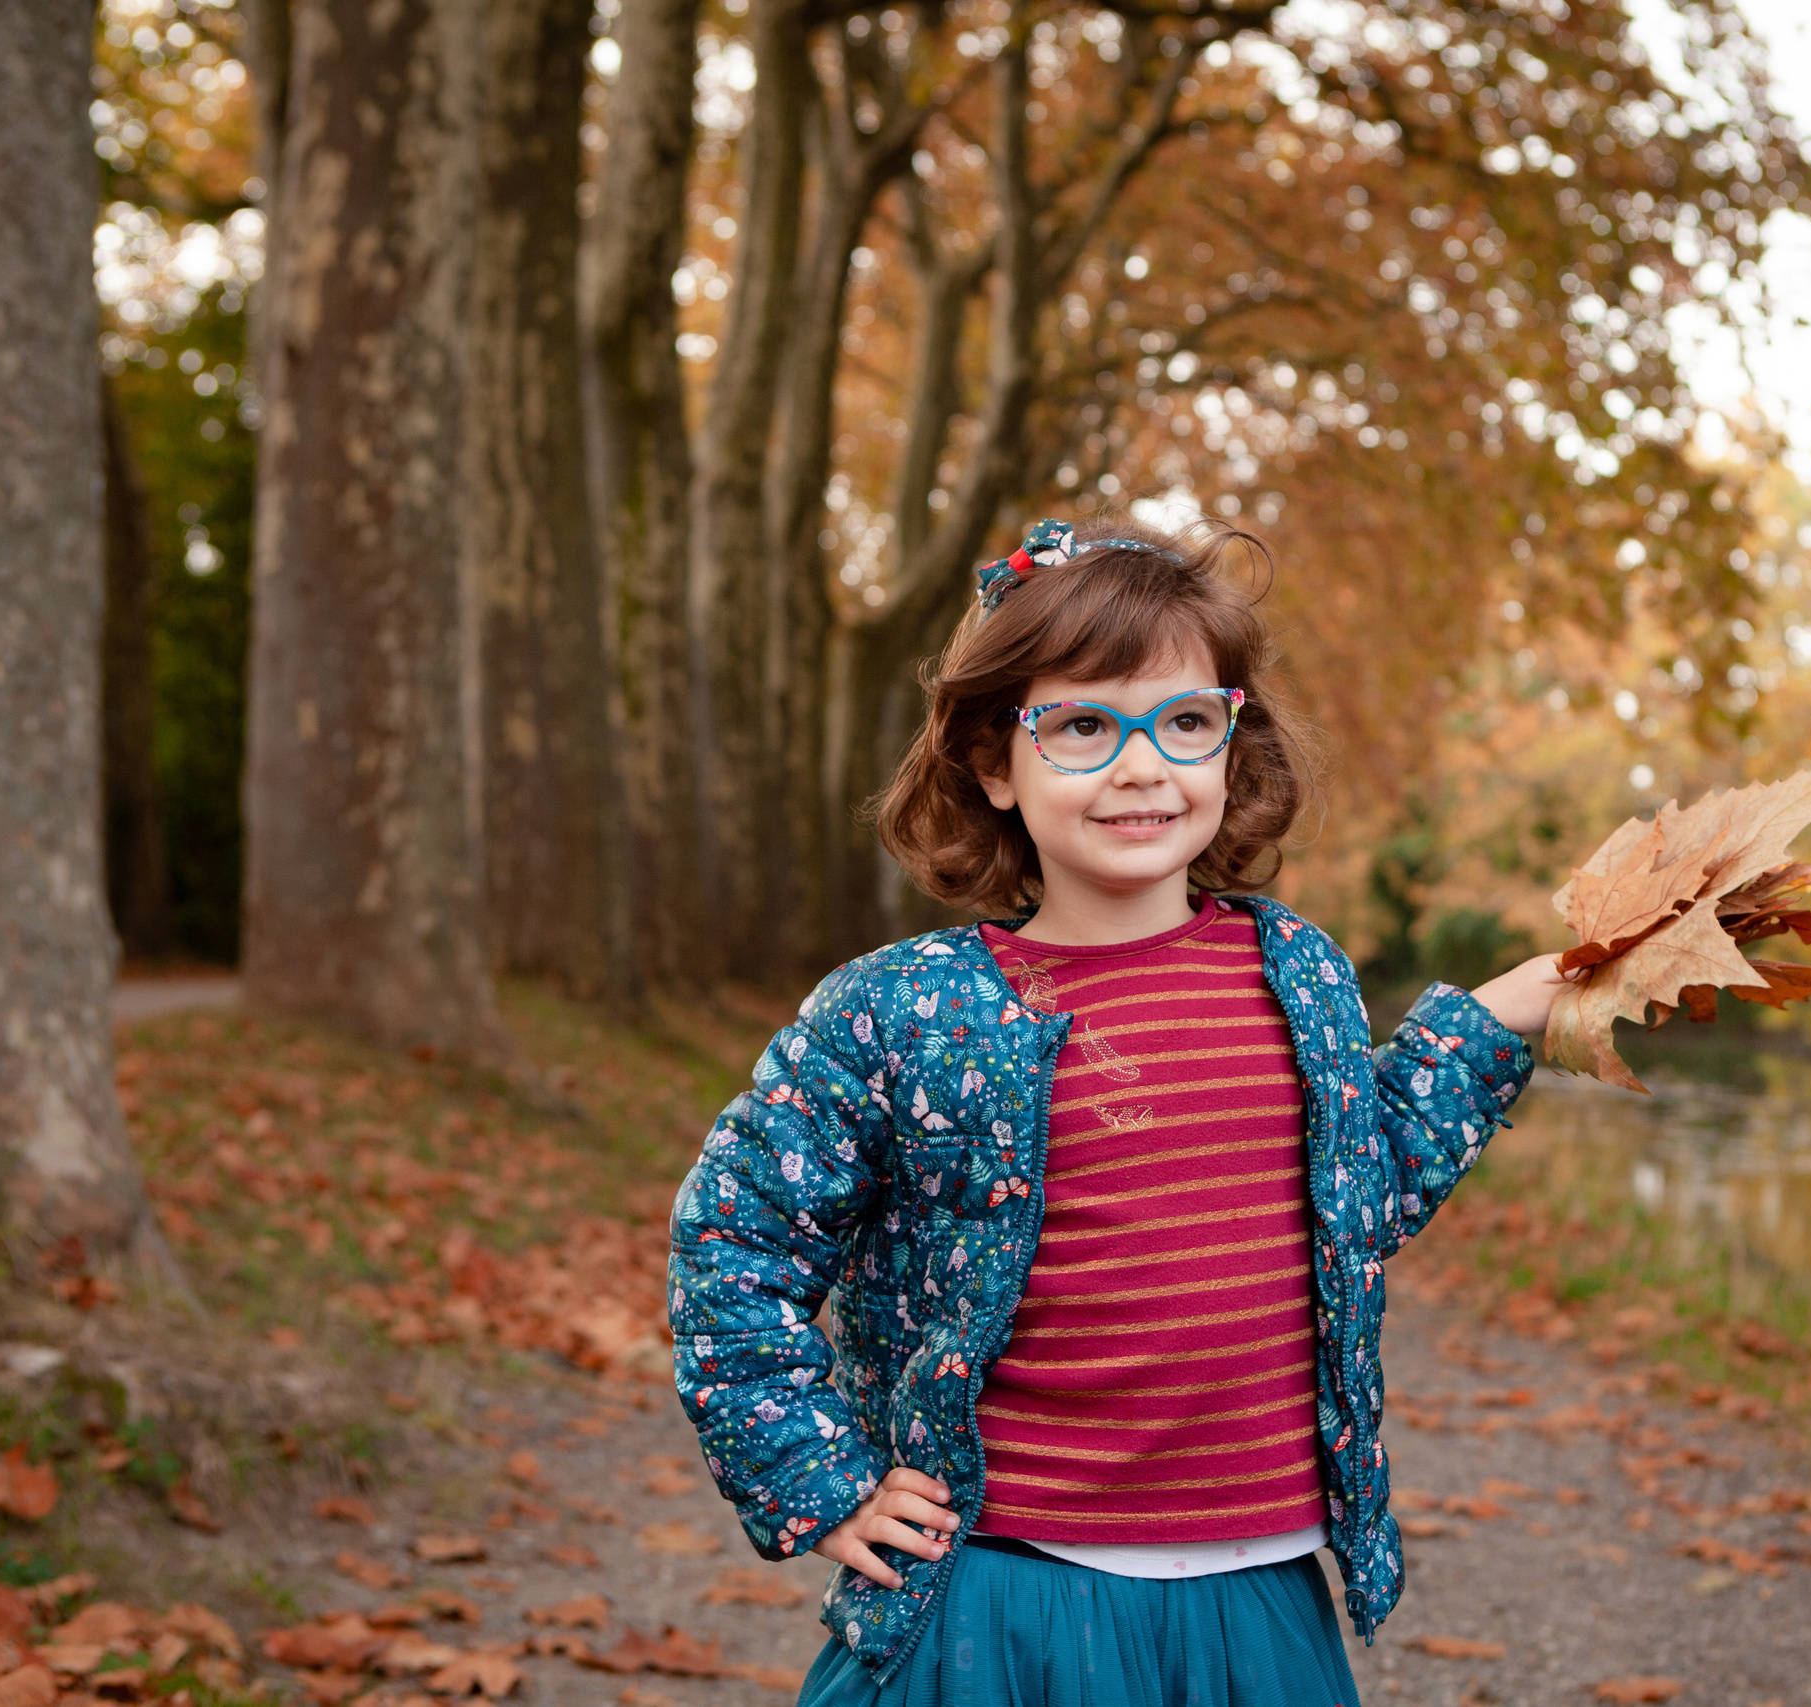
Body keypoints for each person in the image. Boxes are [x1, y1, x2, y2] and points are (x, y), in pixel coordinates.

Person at [669, 516, 1565, 1706]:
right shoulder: (902, 1013)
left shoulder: (1294, 975)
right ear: (995, 764)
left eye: (1184, 723)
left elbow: (1359, 1189)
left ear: (1230, 746)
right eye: (1084, 725)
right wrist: (817, 1478)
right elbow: (733, 1244)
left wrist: (1541, 995)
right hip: (1002, 1595)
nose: (1143, 766)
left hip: (1257, 1597)